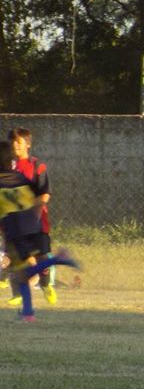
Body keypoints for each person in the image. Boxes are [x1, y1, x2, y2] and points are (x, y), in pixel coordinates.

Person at [0, 140, 80, 323]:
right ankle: (28, 313)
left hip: (15, 229)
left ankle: (59, 259)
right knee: (23, 272)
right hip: (31, 226)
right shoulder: (20, 179)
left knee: (22, 272)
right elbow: (32, 199)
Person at [7, 127, 55, 306]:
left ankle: (45, 283)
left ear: (27, 144)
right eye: (12, 141)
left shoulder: (37, 166)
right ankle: (18, 293)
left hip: (36, 221)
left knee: (41, 255)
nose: (14, 145)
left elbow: (45, 194)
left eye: (18, 141)